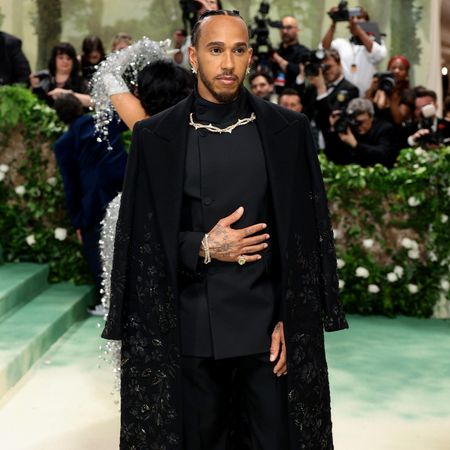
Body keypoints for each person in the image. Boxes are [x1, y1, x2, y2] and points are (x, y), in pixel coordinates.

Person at [102, 9, 347, 449]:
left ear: (251, 56)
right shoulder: (155, 138)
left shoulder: (287, 130)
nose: (228, 64)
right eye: (216, 50)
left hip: (267, 334)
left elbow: (306, 239)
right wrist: (203, 245)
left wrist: (297, 320)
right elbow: (141, 240)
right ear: (193, 56)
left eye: (238, 50)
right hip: (190, 330)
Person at [53, 93, 127, 315]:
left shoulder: (63, 143)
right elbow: (133, 116)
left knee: (95, 248)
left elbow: (71, 185)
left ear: (60, 118)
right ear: (80, 107)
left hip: (93, 200)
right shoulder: (105, 119)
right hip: (125, 186)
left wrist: (77, 220)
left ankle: (109, 301)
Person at [322, 6, 387, 96]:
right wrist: (334, 23)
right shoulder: (341, 43)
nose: (355, 20)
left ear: (367, 22)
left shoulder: (375, 42)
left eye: (359, 18)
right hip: (343, 96)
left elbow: (378, 55)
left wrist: (358, 29)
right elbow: (324, 48)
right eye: (352, 18)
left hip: (367, 97)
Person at [324, 97, 397, 167]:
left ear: (371, 117)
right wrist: (334, 128)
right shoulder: (349, 128)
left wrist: (356, 145)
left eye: (361, 122)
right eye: (355, 122)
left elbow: (383, 154)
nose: (357, 126)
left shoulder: (384, 128)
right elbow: (330, 155)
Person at [306, 48, 359, 132]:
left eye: (329, 67)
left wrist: (321, 89)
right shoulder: (314, 87)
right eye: (323, 67)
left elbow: (332, 118)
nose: (326, 71)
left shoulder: (350, 89)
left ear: (339, 65)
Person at [30, 42, 91, 107]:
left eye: (68, 58)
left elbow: (93, 102)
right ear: (54, 60)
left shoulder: (80, 82)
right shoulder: (44, 79)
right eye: (61, 58)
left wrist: (67, 94)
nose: (65, 61)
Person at [366, 55, 414, 125]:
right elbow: (366, 109)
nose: (396, 71)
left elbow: (398, 120)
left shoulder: (407, 94)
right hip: (376, 129)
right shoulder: (381, 88)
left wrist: (393, 97)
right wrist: (371, 89)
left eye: (401, 69)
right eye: (393, 68)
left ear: (406, 74)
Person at [271, 15, 309, 94]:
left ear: (297, 30)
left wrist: (277, 58)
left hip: (294, 96)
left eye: (289, 28)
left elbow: (298, 71)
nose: (284, 31)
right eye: (282, 28)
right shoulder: (276, 51)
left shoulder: (303, 52)